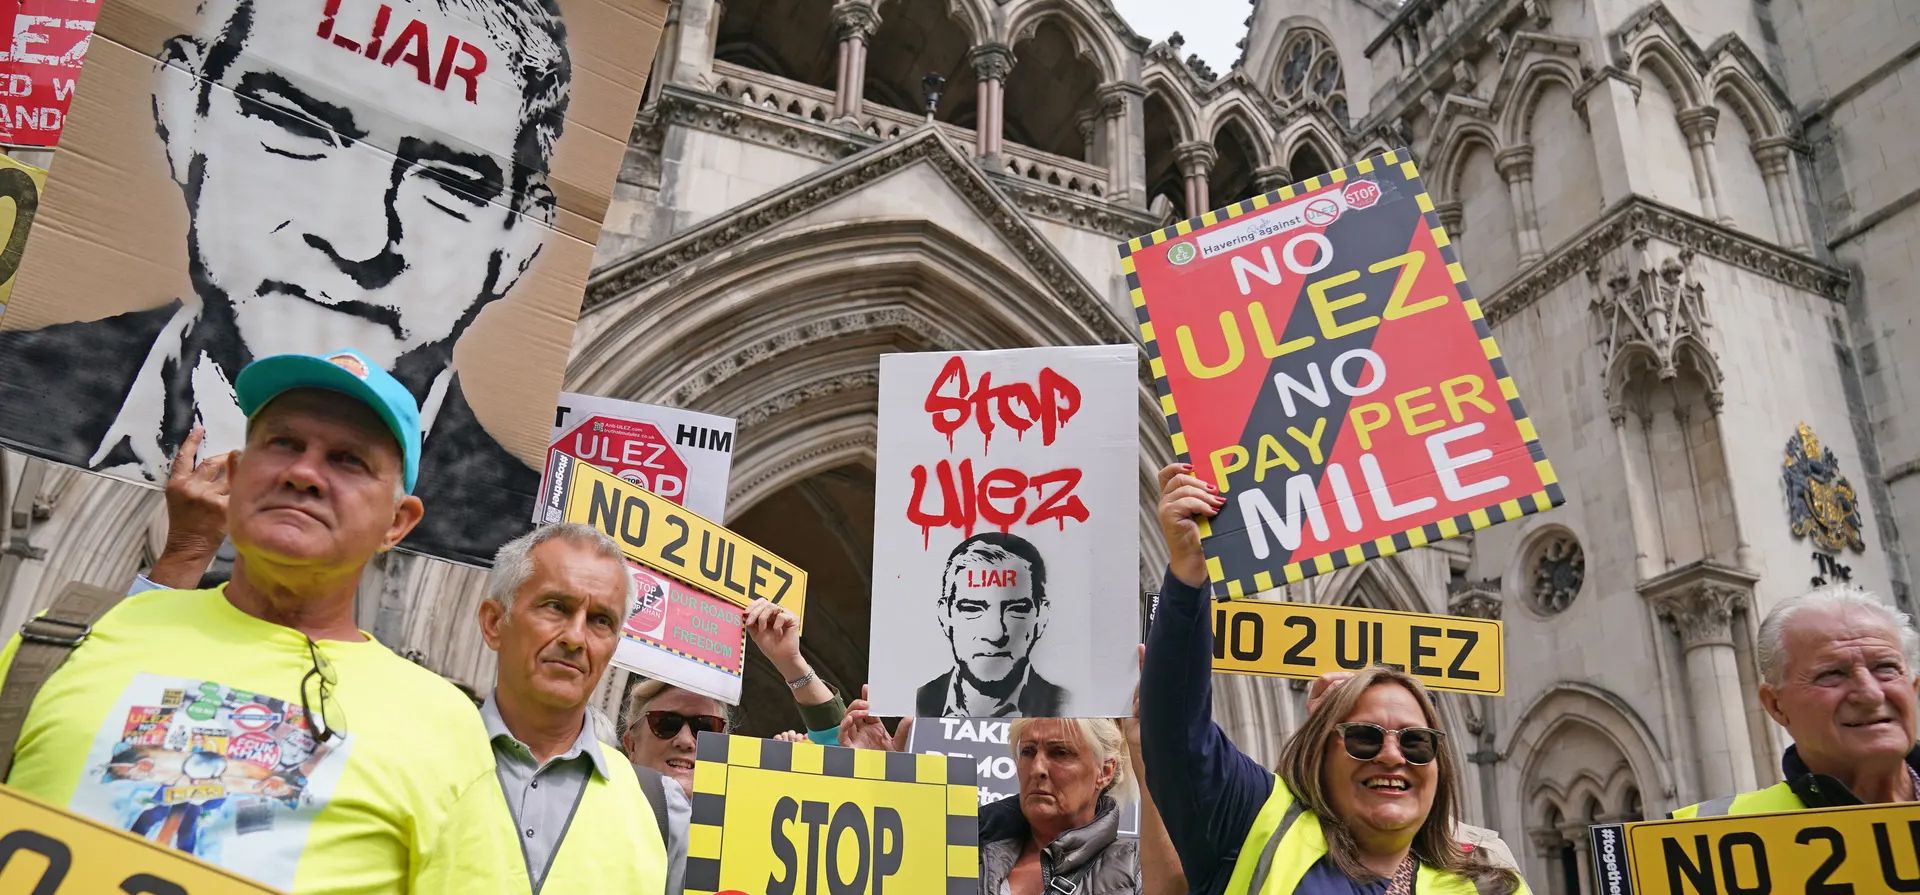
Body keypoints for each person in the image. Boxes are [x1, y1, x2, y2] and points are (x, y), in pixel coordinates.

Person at [0, 0, 573, 564]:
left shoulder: (517, 540)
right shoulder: (20, 384)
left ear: (521, 239)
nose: (361, 243)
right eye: (297, 126)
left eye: (451, 184)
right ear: (183, 109)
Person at [0, 349, 497, 892]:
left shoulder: (443, 727)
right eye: (283, 443)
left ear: (397, 523)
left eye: (349, 460)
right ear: (235, 474)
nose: (304, 473)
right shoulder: (74, 634)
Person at [1141, 463, 1526, 895]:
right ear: (1319, 756)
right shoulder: (1257, 824)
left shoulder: (1491, 885)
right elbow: (1174, 733)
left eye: (1417, 742)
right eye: (1365, 737)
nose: (1392, 756)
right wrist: (1189, 570)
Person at [415, 523, 667, 892]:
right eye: (556, 607)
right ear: (493, 622)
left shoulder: (657, 807)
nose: (575, 638)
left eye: (601, 620)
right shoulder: (412, 760)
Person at [1673, 583, 1920, 817]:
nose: (1870, 695)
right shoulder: (1704, 837)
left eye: (1886, 668)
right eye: (1832, 674)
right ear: (1776, 705)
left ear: (1914, 687)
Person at [978, 717, 1140, 895]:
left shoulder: (1137, 869)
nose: (1036, 769)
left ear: (1104, 771)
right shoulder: (964, 842)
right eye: (1028, 751)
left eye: (1060, 752)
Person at [917, 531, 1068, 718]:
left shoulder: (1069, 709)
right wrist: (883, 746)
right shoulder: (912, 703)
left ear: (1041, 616)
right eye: (972, 609)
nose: (995, 633)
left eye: (1016, 609)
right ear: (945, 615)